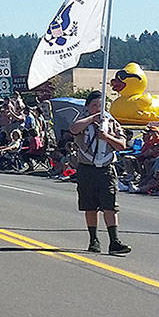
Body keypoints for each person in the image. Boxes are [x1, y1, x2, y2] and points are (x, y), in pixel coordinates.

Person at [68, 91, 131, 255]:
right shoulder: (83, 120)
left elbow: (122, 145)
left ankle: (114, 241)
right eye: (94, 105)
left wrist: (107, 137)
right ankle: (93, 240)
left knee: (110, 205)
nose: (98, 108)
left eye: (101, 105)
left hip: (106, 169)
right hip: (87, 169)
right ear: (88, 106)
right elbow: (73, 130)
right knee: (90, 206)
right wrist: (92, 119)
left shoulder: (112, 122)